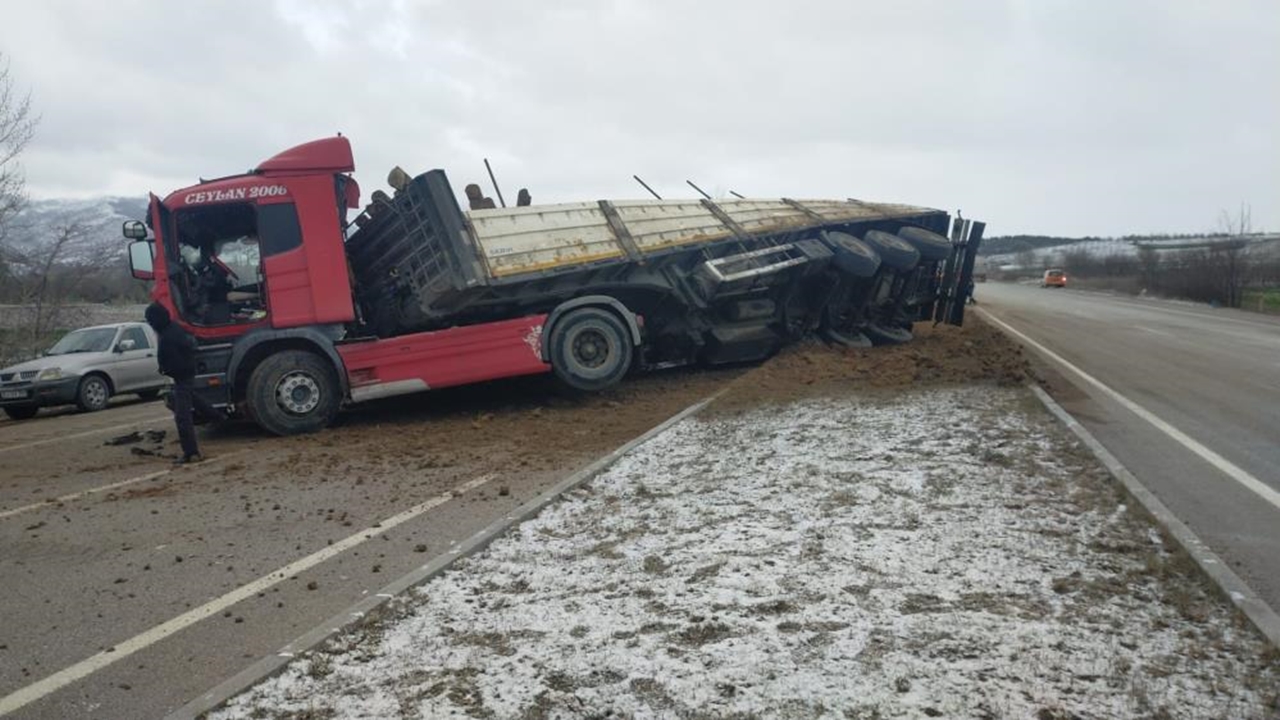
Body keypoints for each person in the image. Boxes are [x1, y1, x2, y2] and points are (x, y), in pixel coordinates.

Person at [145, 302, 222, 463]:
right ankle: (218, 417)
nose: (150, 324)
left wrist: (165, 369)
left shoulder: (168, 335)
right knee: (193, 398)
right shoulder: (173, 328)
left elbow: (175, 360)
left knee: (182, 416)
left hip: (182, 375)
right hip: (185, 374)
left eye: (150, 320)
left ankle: (191, 452)